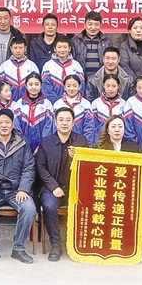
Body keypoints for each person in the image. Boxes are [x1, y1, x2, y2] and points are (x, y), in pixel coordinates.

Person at [0, 109, 36, 264]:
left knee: (29, 208)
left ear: (12, 124)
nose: (4, 125)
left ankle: (18, 248)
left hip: (16, 190)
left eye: (7, 122)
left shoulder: (22, 144)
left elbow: (29, 169)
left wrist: (23, 189)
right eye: (1, 123)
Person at [36, 107, 89, 261]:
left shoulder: (81, 141)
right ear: (55, 122)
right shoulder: (46, 142)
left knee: (88, 205)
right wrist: (54, 187)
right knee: (49, 206)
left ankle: (80, 243)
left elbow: (87, 165)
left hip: (76, 187)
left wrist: (76, 158)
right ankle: (56, 245)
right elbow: (40, 167)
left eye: (68, 120)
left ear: (73, 122)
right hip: (51, 187)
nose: (64, 123)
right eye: (61, 120)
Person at [11, 72, 55, 153]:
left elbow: (49, 127)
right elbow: (16, 126)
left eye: (36, 84)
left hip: (42, 148)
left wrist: (41, 146)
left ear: (41, 85)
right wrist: (22, 144)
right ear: (26, 86)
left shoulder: (47, 104)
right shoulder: (19, 104)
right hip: (22, 147)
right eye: (30, 84)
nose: (34, 87)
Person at [53, 75, 96, 146]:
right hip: (60, 143)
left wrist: (87, 144)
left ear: (79, 86)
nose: (71, 88)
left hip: (80, 143)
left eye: (75, 86)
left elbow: (89, 127)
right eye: (68, 86)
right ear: (64, 87)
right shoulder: (57, 104)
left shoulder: (86, 105)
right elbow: (54, 127)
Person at [41, 35, 85, 104]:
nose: (62, 50)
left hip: (73, 104)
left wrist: (71, 101)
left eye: (65, 47)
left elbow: (81, 85)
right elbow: (46, 87)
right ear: (55, 49)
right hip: (53, 104)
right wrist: (58, 103)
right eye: (59, 47)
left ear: (69, 49)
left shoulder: (76, 65)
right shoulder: (48, 66)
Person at [71, 10, 112, 81]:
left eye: (96, 25)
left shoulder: (107, 42)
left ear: (100, 25)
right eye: (90, 24)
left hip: (101, 79)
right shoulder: (75, 41)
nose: (93, 27)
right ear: (84, 25)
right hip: (81, 79)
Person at [0, 36, 39, 102]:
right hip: (9, 103)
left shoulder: (32, 66)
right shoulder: (4, 66)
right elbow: (0, 87)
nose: (18, 51)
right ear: (11, 48)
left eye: (21, 48)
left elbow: (37, 85)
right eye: (15, 48)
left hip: (27, 103)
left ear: (25, 48)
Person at [91, 74, 127, 140]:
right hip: (100, 140)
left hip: (119, 140)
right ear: (103, 85)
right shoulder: (96, 104)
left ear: (118, 86)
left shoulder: (124, 104)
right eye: (108, 86)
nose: (111, 89)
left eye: (114, 86)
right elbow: (93, 126)